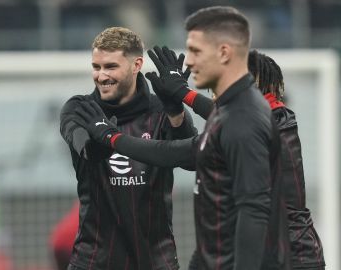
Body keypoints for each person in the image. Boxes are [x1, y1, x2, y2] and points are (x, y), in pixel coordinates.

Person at [73, 7, 291, 270]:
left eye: (196, 51)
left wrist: (111, 137)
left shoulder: (244, 119)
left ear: (223, 53)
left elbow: (253, 210)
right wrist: (182, 97)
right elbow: (180, 152)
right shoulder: (229, 116)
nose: (188, 61)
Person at [59, 26, 197, 270]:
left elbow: (193, 160)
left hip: (156, 261)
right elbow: (86, 149)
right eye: (96, 67)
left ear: (136, 65)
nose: (101, 76)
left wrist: (176, 112)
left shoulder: (161, 110)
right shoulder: (80, 109)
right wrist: (103, 139)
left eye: (111, 67)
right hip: (94, 261)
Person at [179, 50, 325, 270]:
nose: (216, 94)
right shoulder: (274, 119)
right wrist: (184, 95)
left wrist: (114, 138)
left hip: (291, 256)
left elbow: (181, 152)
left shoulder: (264, 124)